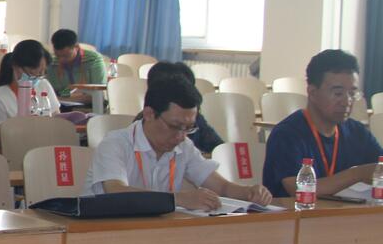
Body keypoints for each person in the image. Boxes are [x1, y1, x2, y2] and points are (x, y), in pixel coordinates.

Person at [85, 78, 273, 210]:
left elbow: (221, 187)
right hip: (105, 231)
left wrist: (249, 192)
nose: (181, 136)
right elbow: (116, 192)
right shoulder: (115, 143)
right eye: (175, 126)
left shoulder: (183, 146)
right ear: (149, 114)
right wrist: (177, 199)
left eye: (189, 128)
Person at [264, 49, 383, 198]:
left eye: (352, 93)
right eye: (338, 93)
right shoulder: (287, 134)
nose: (346, 102)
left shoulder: (356, 131)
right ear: (312, 93)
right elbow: (299, 189)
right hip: (296, 211)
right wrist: (356, 174)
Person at [143, 62, 222, 155]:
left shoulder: (196, 120)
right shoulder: (143, 125)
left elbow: (218, 148)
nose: (182, 137)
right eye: (174, 126)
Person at [0, 40, 58, 124]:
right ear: (16, 66)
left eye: (41, 74)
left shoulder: (44, 85)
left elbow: (56, 118)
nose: (37, 78)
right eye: (32, 73)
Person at [46, 28, 106, 101]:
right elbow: (53, 92)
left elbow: (99, 92)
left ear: (76, 47)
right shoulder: (52, 63)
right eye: (57, 56)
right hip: (62, 104)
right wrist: (66, 95)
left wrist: (63, 98)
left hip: (91, 104)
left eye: (66, 56)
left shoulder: (94, 60)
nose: (61, 60)